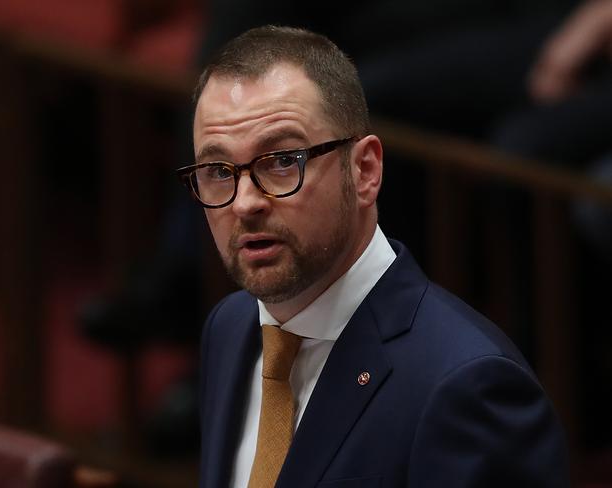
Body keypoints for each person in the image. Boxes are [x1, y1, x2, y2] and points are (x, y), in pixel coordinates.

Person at [179, 26, 570, 487]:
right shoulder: (230, 328)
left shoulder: (468, 386)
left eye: (283, 160)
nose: (245, 202)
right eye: (219, 171)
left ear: (365, 170)